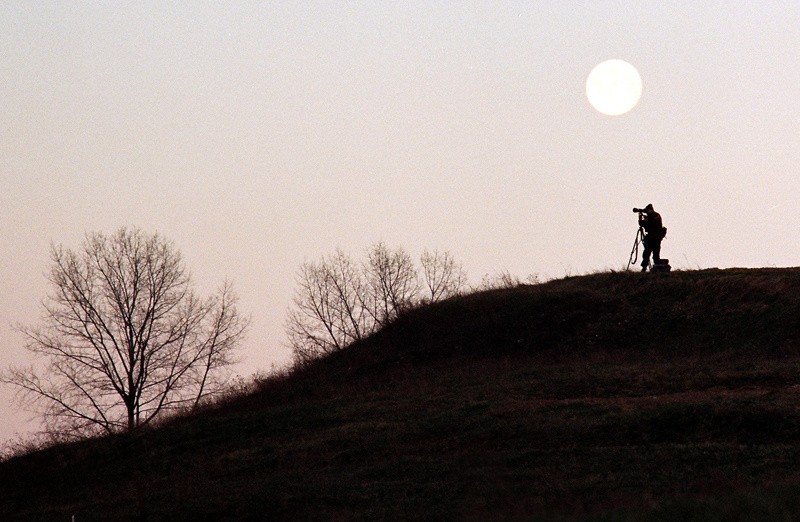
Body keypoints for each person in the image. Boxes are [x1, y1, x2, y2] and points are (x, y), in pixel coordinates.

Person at [638, 204, 666, 272]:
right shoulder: (649, 217)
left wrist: (644, 221)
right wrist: (641, 222)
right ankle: (644, 267)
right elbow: (646, 225)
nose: (647, 212)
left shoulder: (656, 216)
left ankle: (658, 267)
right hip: (650, 237)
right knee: (646, 253)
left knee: (655, 255)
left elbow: (651, 224)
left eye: (648, 211)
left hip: (656, 238)